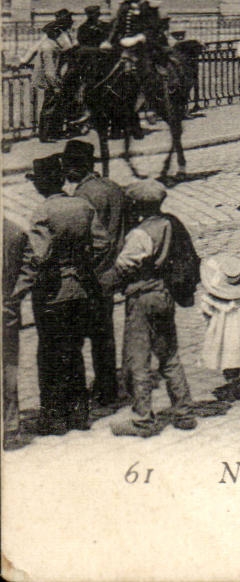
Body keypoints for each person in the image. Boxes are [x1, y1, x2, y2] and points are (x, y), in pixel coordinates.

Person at [100, 179, 197, 437]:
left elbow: (124, 267)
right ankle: (184, 412)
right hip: (163, 294)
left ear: (137, 205)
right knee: (169, 355)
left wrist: (100, 284)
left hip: (142, 298)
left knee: (139, 360)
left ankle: (142, 419)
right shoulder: (168, 224)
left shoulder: (140, 234)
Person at [14, 153, 98, 435]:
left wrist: (19, 289)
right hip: (80, 290)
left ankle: (54, 418)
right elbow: (102, 243)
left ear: (40, 184)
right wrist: (83, 267)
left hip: (52, 295)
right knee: (74, 352)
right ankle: (79, 413)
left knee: (50, 355)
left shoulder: (44, 213)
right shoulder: (83, 205)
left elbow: (38, 257)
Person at [60, 139, 125, 407]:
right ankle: (107, 384)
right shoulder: (113, 186)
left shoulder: (83, 196)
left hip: (94, 275)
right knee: (104, 334)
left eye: (68, 166)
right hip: (113, 271)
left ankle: (101, 389)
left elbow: (90, 239)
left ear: (76, 167)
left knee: (88, 335)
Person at [198, 254, 240, 386]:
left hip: (219, 331)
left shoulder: (212, 297)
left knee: (223, 351)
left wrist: (209, 319)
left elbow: (205, 310)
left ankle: (229, 377)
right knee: (235, 352)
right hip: (238, 330)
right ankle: (234, 376)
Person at [21, 10, 74, 141]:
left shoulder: (53, 45)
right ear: (56, 35)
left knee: (56, 106)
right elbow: (49, 70)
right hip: (52, 81)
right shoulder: (49, 48)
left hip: (55, 79)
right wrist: (55, 85)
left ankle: (55, 132)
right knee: (49, 107)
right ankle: (45, 135)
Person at [3, 208, 27, 446]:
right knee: (8, 369)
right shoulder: (15, 231)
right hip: (7, 311)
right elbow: (29, 268)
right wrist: (15, 296)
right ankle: (11, 428)